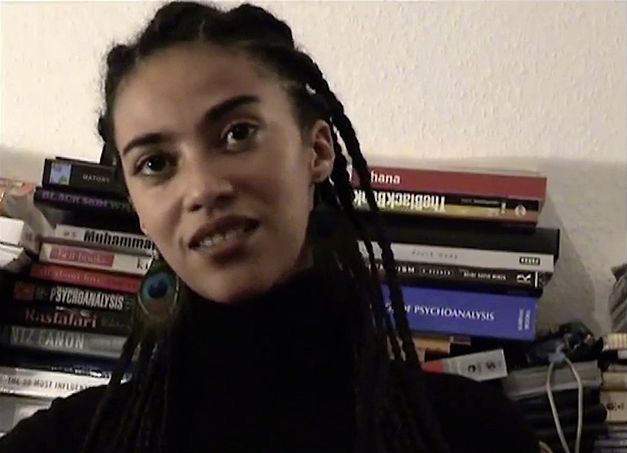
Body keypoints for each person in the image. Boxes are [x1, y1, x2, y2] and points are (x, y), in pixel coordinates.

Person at [0, 2, 540, 452]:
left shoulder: (470, 433)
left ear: (319, 151)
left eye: (237, 134)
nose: (203, 187)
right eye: (156, 164)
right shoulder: (66, 443)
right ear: (137, 208)